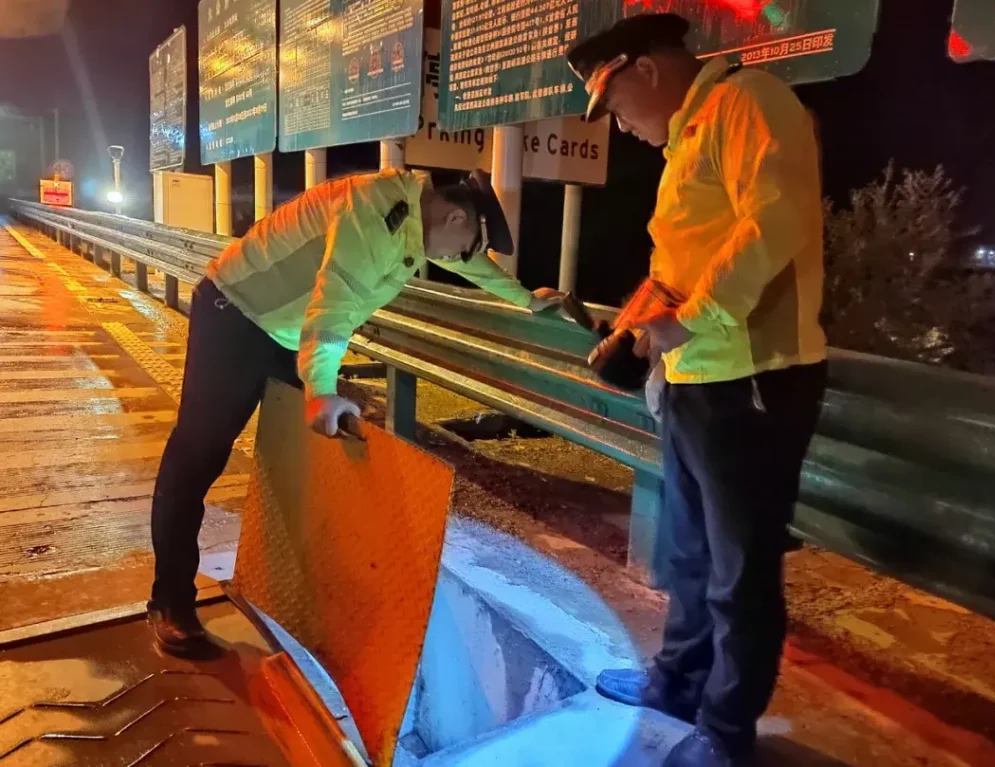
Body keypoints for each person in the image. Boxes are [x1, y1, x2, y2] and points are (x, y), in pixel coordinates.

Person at [148, 168, 563, 657]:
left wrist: (525, 299)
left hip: (285, 333)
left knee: (300, 470)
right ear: (455, 216)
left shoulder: (416, 218)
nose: (460, 259)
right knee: (198, 457)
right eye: (466, 245)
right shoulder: (372, 210)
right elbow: (334, 306)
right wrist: (320, 390)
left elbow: (473, 266)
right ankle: (169, 602)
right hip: (234, 312)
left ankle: (286, 592)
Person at [567, 14, 827, 767]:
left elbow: (773, 222)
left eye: (614, 107)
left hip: (753, 378)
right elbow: (680, 260)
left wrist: (689, 321)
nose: (618, 126)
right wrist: (633, 326)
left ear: (644, 69)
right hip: (694, 377)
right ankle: (676, 684)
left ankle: (725, 727)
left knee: (738, 569)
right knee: (687, 556)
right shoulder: (689, 137)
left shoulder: (750, 101)